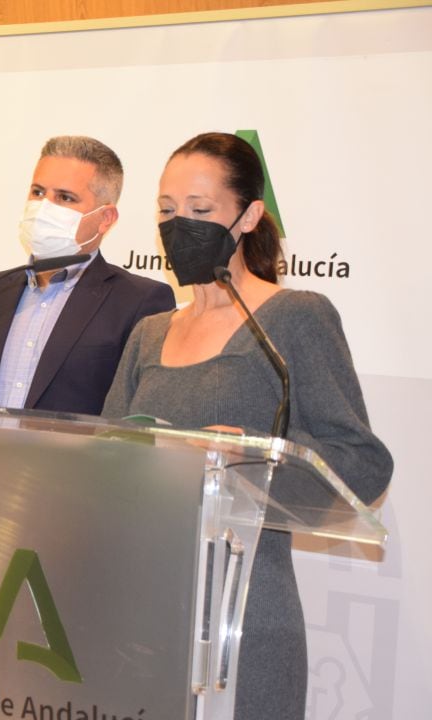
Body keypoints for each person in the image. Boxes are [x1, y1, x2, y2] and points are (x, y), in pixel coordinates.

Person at [102, 132, 392, 719]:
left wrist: (255, 455)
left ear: (250, 215)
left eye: (201, 211)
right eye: (166, 210)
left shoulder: (294, 317)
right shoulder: (149, 333)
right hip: (141, 611)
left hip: (245, 611)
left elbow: (361, 460)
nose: (179, 224)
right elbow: (101, 458)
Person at [0, 135, 174, 413]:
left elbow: (135, 422)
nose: (44, 207)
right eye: (38, 192)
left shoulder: (140, 301)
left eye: (65, 197)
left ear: (105, 218)